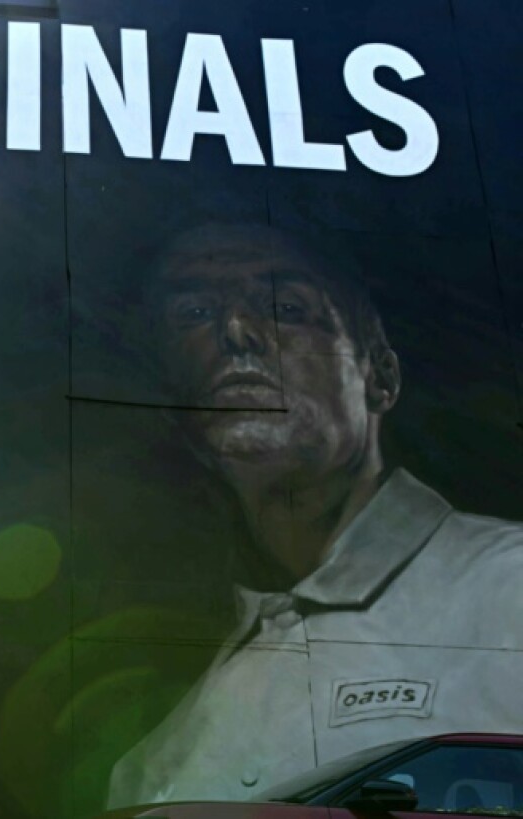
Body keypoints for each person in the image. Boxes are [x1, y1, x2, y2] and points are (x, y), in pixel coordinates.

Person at [106, 223, 523, 807]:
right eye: (195, 311)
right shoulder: (152, 766)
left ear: (381, 377)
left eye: (286, 306)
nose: (236, 331)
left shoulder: (510, 587)